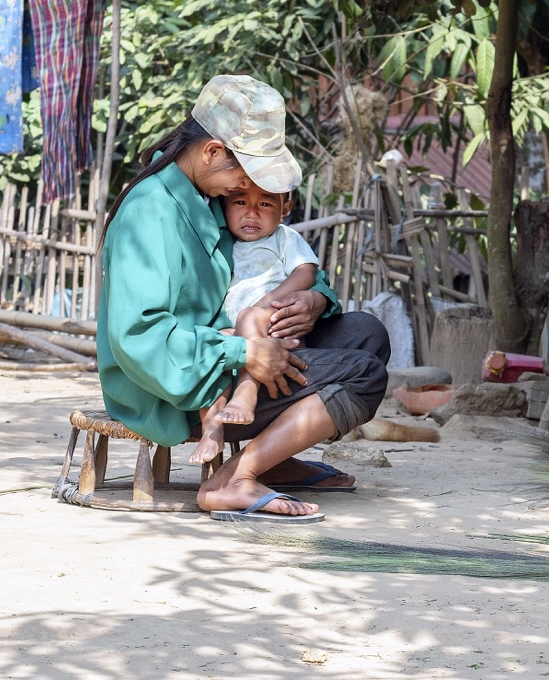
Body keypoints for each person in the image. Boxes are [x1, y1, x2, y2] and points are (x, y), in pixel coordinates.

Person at [97, 74, 391, 522]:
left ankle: (275, 456)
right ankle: (233, 478)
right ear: (213, 151)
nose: (246, 191)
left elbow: (285, 266)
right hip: (178, 385)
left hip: (234, 354)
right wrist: (245, 351)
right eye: (245, 174)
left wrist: (314, 300)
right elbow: (139, 336)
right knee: (364, 375)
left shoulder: (209, 192)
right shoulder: (150, 213)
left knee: (366, 334)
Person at [188, 184, 319, 465]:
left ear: (285, 209)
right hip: (238, 332)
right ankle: (212, 427)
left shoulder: (286, 239)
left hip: (273, 328)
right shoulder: (220, 245)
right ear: (224, 208)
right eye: (240, 203)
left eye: (265, 205)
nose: (251, 213)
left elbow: (306, 273)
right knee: (214, 346)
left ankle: (246, 392)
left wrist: (266, 304)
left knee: (248, 316)